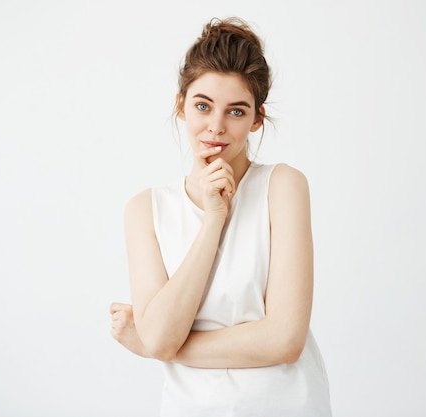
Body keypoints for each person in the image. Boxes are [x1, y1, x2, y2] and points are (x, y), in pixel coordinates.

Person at [110, 16, 332, 416]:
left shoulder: (283, 187)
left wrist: (160, 347)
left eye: (236, 111)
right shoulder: (145, 210)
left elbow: (285, 340)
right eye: (202, 106)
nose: (215, 127)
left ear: (257, 119)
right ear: (181, 105)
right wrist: (213, 219)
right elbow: (162, 337)